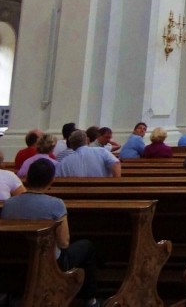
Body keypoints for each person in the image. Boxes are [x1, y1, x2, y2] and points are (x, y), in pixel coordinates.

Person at [2, 159, 100, 307]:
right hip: (49, 262)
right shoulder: (56, 204)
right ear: (51, 180)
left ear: (27, 178)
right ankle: (90, 299)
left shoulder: (9, 203)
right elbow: (64, 242)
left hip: (16, 262)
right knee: (87, 246)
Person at [56, 130, 121, 178]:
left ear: (71, 145)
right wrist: (115, 184)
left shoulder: (64, 161)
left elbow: (57, 177)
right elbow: (116, 163)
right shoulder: (101, 151)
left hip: (75, 194)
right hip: (101, 193)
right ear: (87, 140)